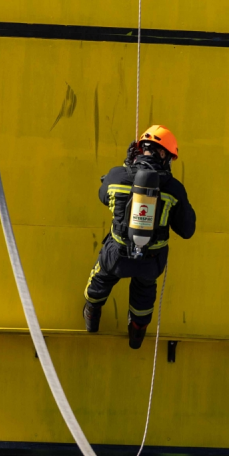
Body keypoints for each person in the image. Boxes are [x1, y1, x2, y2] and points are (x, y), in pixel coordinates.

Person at [82, 125, 196, 349]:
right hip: (150, 263)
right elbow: (187, 230)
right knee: (144, 294)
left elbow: (103, 197)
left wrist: (124, 173)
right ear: (162, 154)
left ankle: (92, 314)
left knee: (101, 278)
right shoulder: (174, 189)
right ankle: (136, 336)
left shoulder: (116, 175)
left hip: (116, 257)